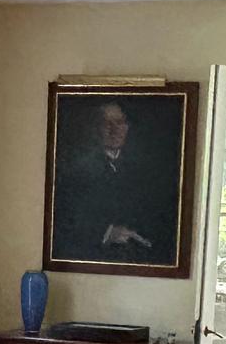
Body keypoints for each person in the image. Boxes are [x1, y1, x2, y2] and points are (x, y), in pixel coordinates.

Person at [53, 99, 175, 265]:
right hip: (94, 260)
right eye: (106, 123)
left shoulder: (143, 171)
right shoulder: (77, 173)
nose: (114, 129)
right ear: (96, 128)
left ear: (127, 127)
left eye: (119, 122)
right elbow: (66, 223)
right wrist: (107, 233)